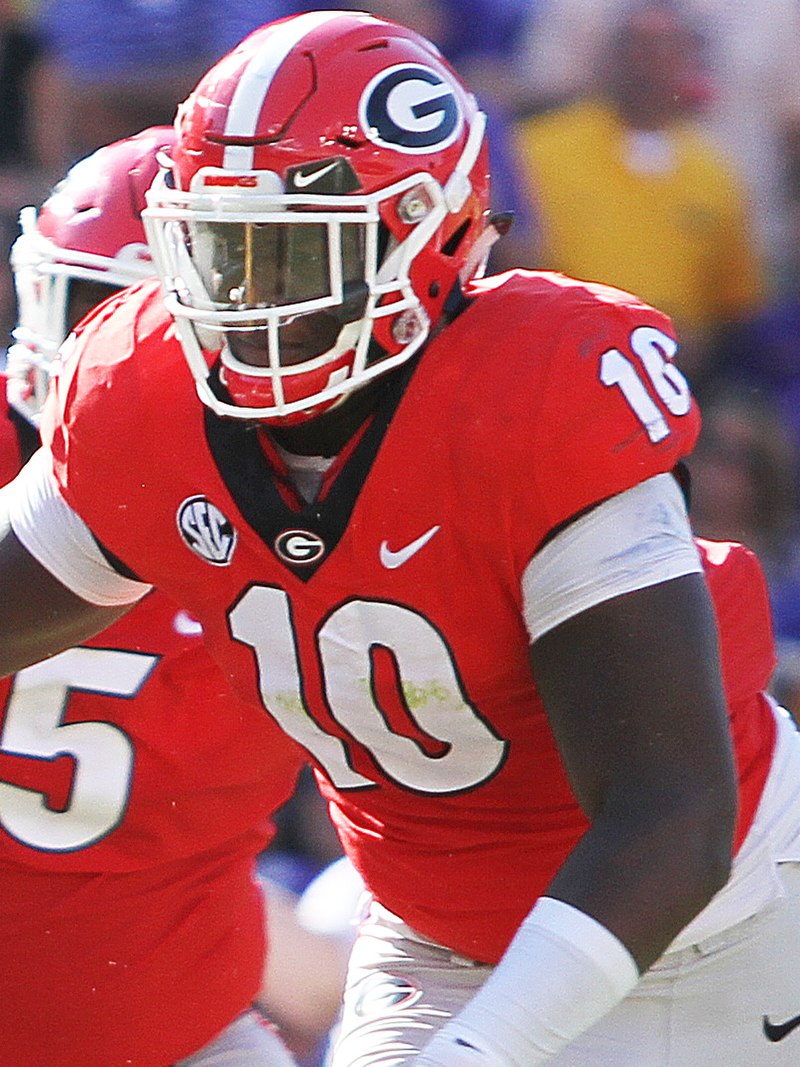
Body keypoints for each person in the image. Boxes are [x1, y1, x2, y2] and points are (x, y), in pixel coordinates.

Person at [1, 10, 800, 1065]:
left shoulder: (537, 395)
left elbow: (670, 811)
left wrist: (478, 1052)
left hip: (705, 935)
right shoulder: (145, 388)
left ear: (422, 234)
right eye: (216, 250)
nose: (243, 303)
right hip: (430, 931)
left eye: (286, 256)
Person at [1, 126, 308, 1067]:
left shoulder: (332, 488)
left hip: (181, 1025)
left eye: (145, 322)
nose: (114, 358)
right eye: (92, 308)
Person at [514, 1, 766, 394]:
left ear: (688, 62)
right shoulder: (539, 147)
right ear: (610, 56)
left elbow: (732, 305)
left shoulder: (715, 174)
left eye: (665, 49)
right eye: (636, 46)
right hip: (549, 363)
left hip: (669, 380)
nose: (647, 63)